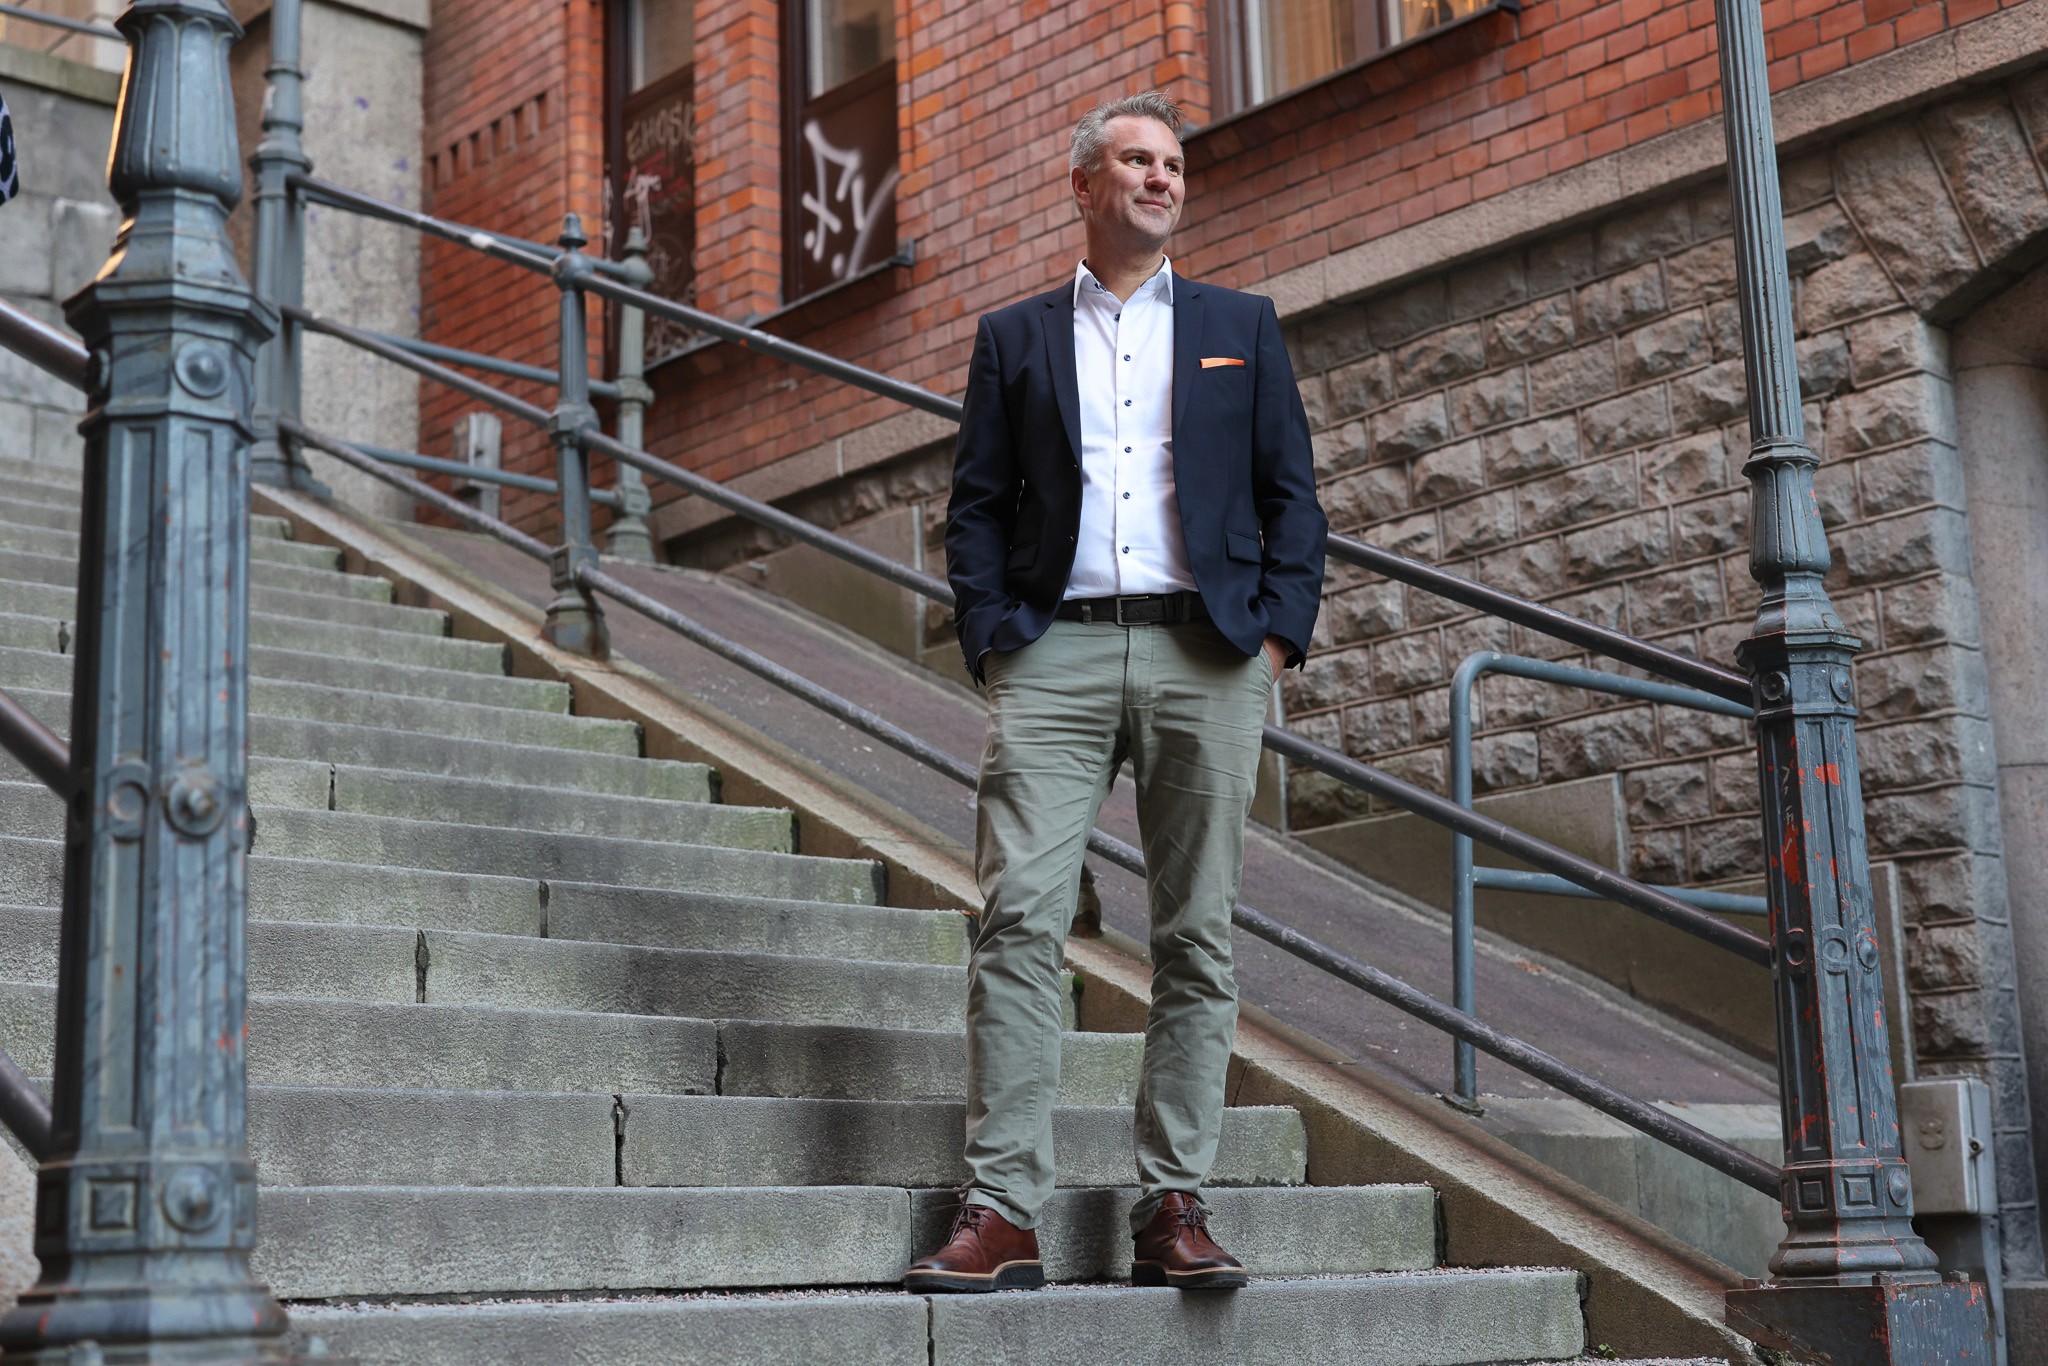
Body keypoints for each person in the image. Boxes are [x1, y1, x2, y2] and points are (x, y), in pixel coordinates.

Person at [907, 90, 1326, 1295]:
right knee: (1021, 919)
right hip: (1056, 652)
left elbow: (1289, 494)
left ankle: (1173, 1204)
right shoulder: (1016, 335)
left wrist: (1275, 642)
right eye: (1135, 161)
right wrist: (994, 639)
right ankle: (1002, 1211)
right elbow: (977, 503)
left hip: (1209, 652)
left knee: (1194, 933)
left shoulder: (1240, 325)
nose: (1159, 178)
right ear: (1082, 184)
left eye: (1172, 164)